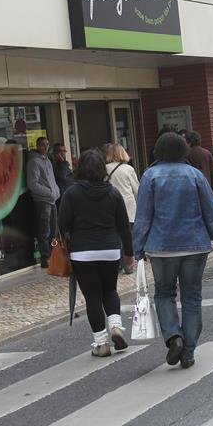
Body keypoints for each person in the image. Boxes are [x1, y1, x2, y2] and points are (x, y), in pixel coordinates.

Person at [132, 133, 213, 370]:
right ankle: (188, 351)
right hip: (195, 246)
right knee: (192, 297)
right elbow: (212, 212)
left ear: (158, 151)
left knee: (164, 294)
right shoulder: (195, 176)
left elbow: (143, 216)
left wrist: (138, 247)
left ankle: (173, 336)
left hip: (161, 248)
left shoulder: (150, 176)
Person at [59, 150, 134, 357]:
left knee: (92, 297)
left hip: (82, 253)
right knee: (110, 291)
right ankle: (116, 326)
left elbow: (61, 224)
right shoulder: (113, 193)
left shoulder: (71, 194)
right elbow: (124, 227)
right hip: (110, 250)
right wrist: (129, 252)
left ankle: (101, 344)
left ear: (81, 168)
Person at [105, 143, 140, 273]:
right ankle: (128, 263)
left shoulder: (105, 168)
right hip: (128, 206)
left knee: (115, 236)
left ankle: (117, 263)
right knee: (128, 235)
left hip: (111, 205)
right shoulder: (128, 169)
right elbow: (136, 189)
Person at [27, 137, 60, 268]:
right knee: (45, 231)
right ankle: (45, 258)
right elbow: (32, 183)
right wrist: (49, 192)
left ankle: (53, 255)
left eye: (47, 144)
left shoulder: (48, 161)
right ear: (37, 146)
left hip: (52, 200)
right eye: (42, 145)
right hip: (43, 201)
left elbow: (51, 180)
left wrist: (56, 191)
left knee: (53, 230)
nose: (45, 147)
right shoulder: (34, 162)